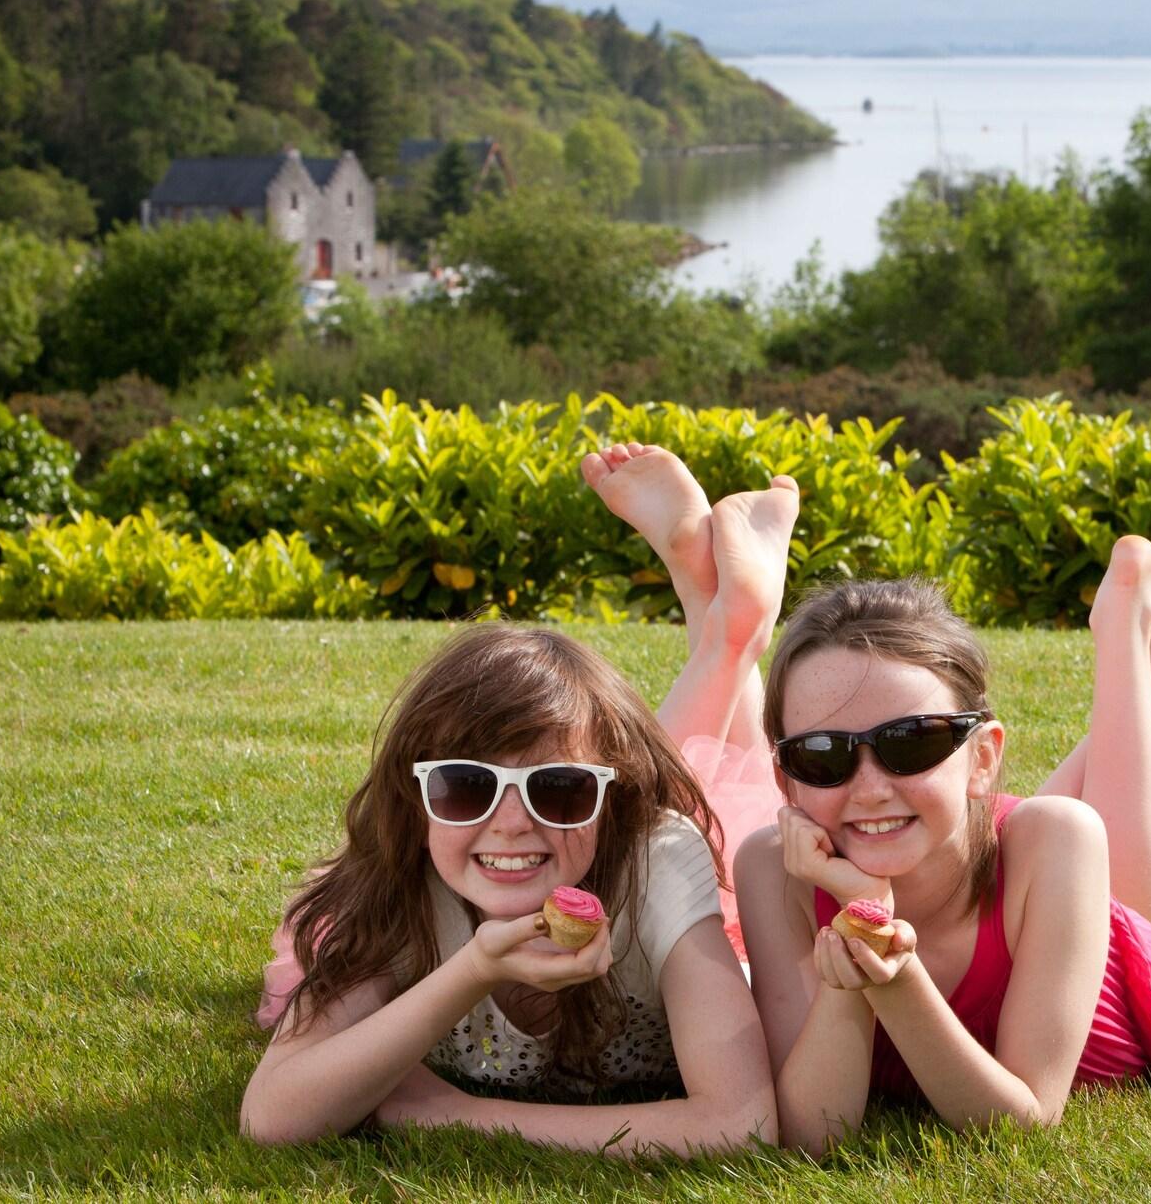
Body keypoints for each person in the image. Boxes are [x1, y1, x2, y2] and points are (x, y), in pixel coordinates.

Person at [239, 466, 802, 1154]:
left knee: (696, 781)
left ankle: (726, 624)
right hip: (586, 839)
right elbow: (270, 1115)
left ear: (609, 804)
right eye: (465, 786)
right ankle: (721, 617)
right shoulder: (408, 878)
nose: (509, 820)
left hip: (641, 857)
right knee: (656, 758)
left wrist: (456, 1111)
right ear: (415, 799)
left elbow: (742, 1123)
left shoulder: (657, 860)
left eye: (559, 789)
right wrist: (474, 967)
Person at [733, 539, 1151, 1154]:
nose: (869, 789)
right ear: (785, 780)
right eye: (823, 754)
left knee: (1072, 836)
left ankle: (1124, 625)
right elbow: (813, 1135)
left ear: (983, 757)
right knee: (1025, 831)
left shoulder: (1055, 842)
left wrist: (892, 974)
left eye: (911, 742)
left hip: (1106, 984)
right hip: (993, 859)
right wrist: (863, 926)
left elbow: (1019, 1121)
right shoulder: (771, 869)